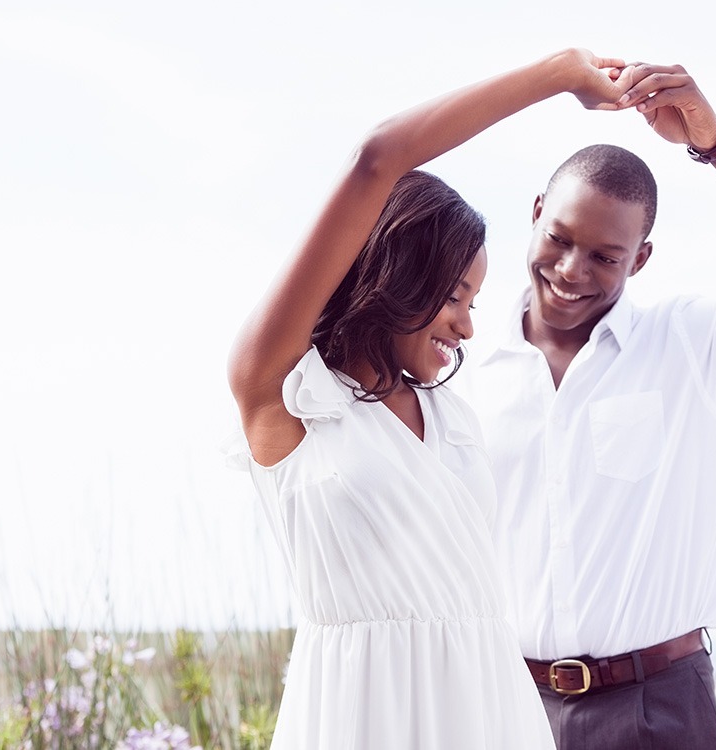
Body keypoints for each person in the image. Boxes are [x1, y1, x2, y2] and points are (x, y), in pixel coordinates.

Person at [225, 48, 640, 749]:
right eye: (453, 296)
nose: (468, 325)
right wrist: (560, 74)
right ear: (393, 277)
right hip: (361, 718)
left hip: (488, 710)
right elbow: (378, 158)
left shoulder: (449, 413)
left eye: (475, 299)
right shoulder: (287, 396)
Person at [455, 62, 716, 748]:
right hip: (501, 709)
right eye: (559, 239)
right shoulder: (456, 370)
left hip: (657, 712)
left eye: (605, 256)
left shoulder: (699, 350)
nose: (572, 270)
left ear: (639, 259)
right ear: (535, 213)